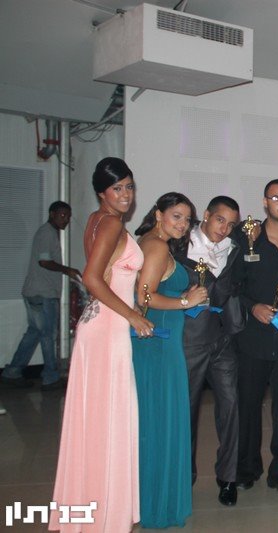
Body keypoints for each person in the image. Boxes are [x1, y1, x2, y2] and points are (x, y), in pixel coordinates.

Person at [49, 157, 153, 532]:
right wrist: (133, 315)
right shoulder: (110, 223)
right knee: (110, 422)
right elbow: (92, 278)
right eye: (117, 188)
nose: (126, 195)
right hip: (108, 329)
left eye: (129, 186)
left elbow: (102, 278)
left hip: (95, 325)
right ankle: (106, 517)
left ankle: (94, 511)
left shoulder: (95, 219)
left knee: (94, 423)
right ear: (101, 192)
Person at [133, 193, 207, 528]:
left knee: (158, 423)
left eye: (187, 219)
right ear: (159, 214)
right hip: (158, 347)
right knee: (160, 424)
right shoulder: (157, 246)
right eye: (176, 216)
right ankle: (155, 504)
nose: (183, 224)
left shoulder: (154, 243)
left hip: (162, 342)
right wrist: (185, 302)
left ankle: (152, 498)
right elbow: (144, 297)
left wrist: (181, 298)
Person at [233, 179, 278, 498]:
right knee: (248, 406)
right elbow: (232, 286)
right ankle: (247, 468)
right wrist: (253, 306)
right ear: (265, 202)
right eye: (276, 198)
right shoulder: (246, 238)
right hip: (252, 337)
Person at [173, 196, 242, 506]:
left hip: (222, 339)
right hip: (190, 339)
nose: (224, 228)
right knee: (187, 411)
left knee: (231, 405)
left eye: (230, 224)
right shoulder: (180, 245)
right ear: (206, 215)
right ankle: (184, 477)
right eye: (220, 220)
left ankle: (228, 478)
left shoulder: (235, 248)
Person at [2, 201, 81, 390]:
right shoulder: (47, 233)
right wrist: (68, 270)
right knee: (48, 334)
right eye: (62, 215)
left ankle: (12, 372)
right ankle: (50, 377)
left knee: (35, 333)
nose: (66, 219)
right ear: (52, 214)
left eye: (68, 216)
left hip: (36, 292)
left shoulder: (49, 233)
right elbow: (44, 262)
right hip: (42, 293)